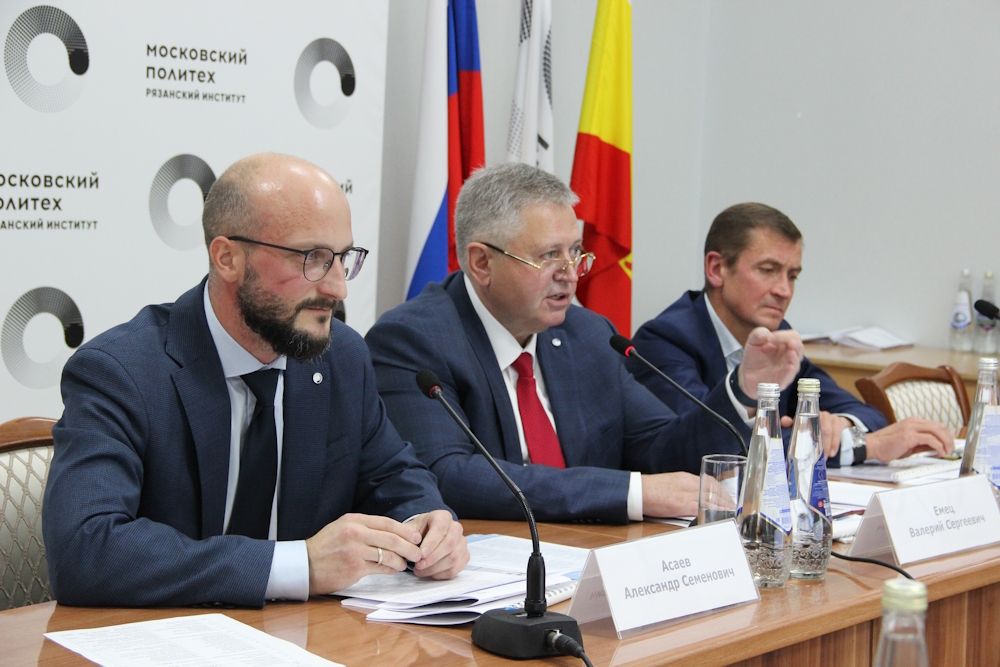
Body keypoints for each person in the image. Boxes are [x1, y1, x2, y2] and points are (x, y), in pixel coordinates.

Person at [43, 154, 469, 608]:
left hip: (309, 635)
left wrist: (429, 524)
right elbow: (84, 549)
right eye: (312, 258)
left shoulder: (342, 356)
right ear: (228, 258)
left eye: (343, 259)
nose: (338, 288)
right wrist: (300, 566)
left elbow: (394, 476)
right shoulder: (122, 371)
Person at [365, 163, 803, 525]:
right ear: (482, 263)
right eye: (548, 255)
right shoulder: (414, 340)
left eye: (575, 251)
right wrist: (632, 492)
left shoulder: (586, 334)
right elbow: (448, 475)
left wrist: (742, 389)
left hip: (591, 558)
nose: (571, 273)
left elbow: (661, 448)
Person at [630, 202, 954, 465]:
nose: (784, 290)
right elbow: (707, 444)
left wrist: (840, 425)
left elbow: (866, 413)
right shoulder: (664, 341)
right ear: (717, 269)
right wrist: (861, 446)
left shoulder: (777, 335)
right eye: (768, 271)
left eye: (793, 275)